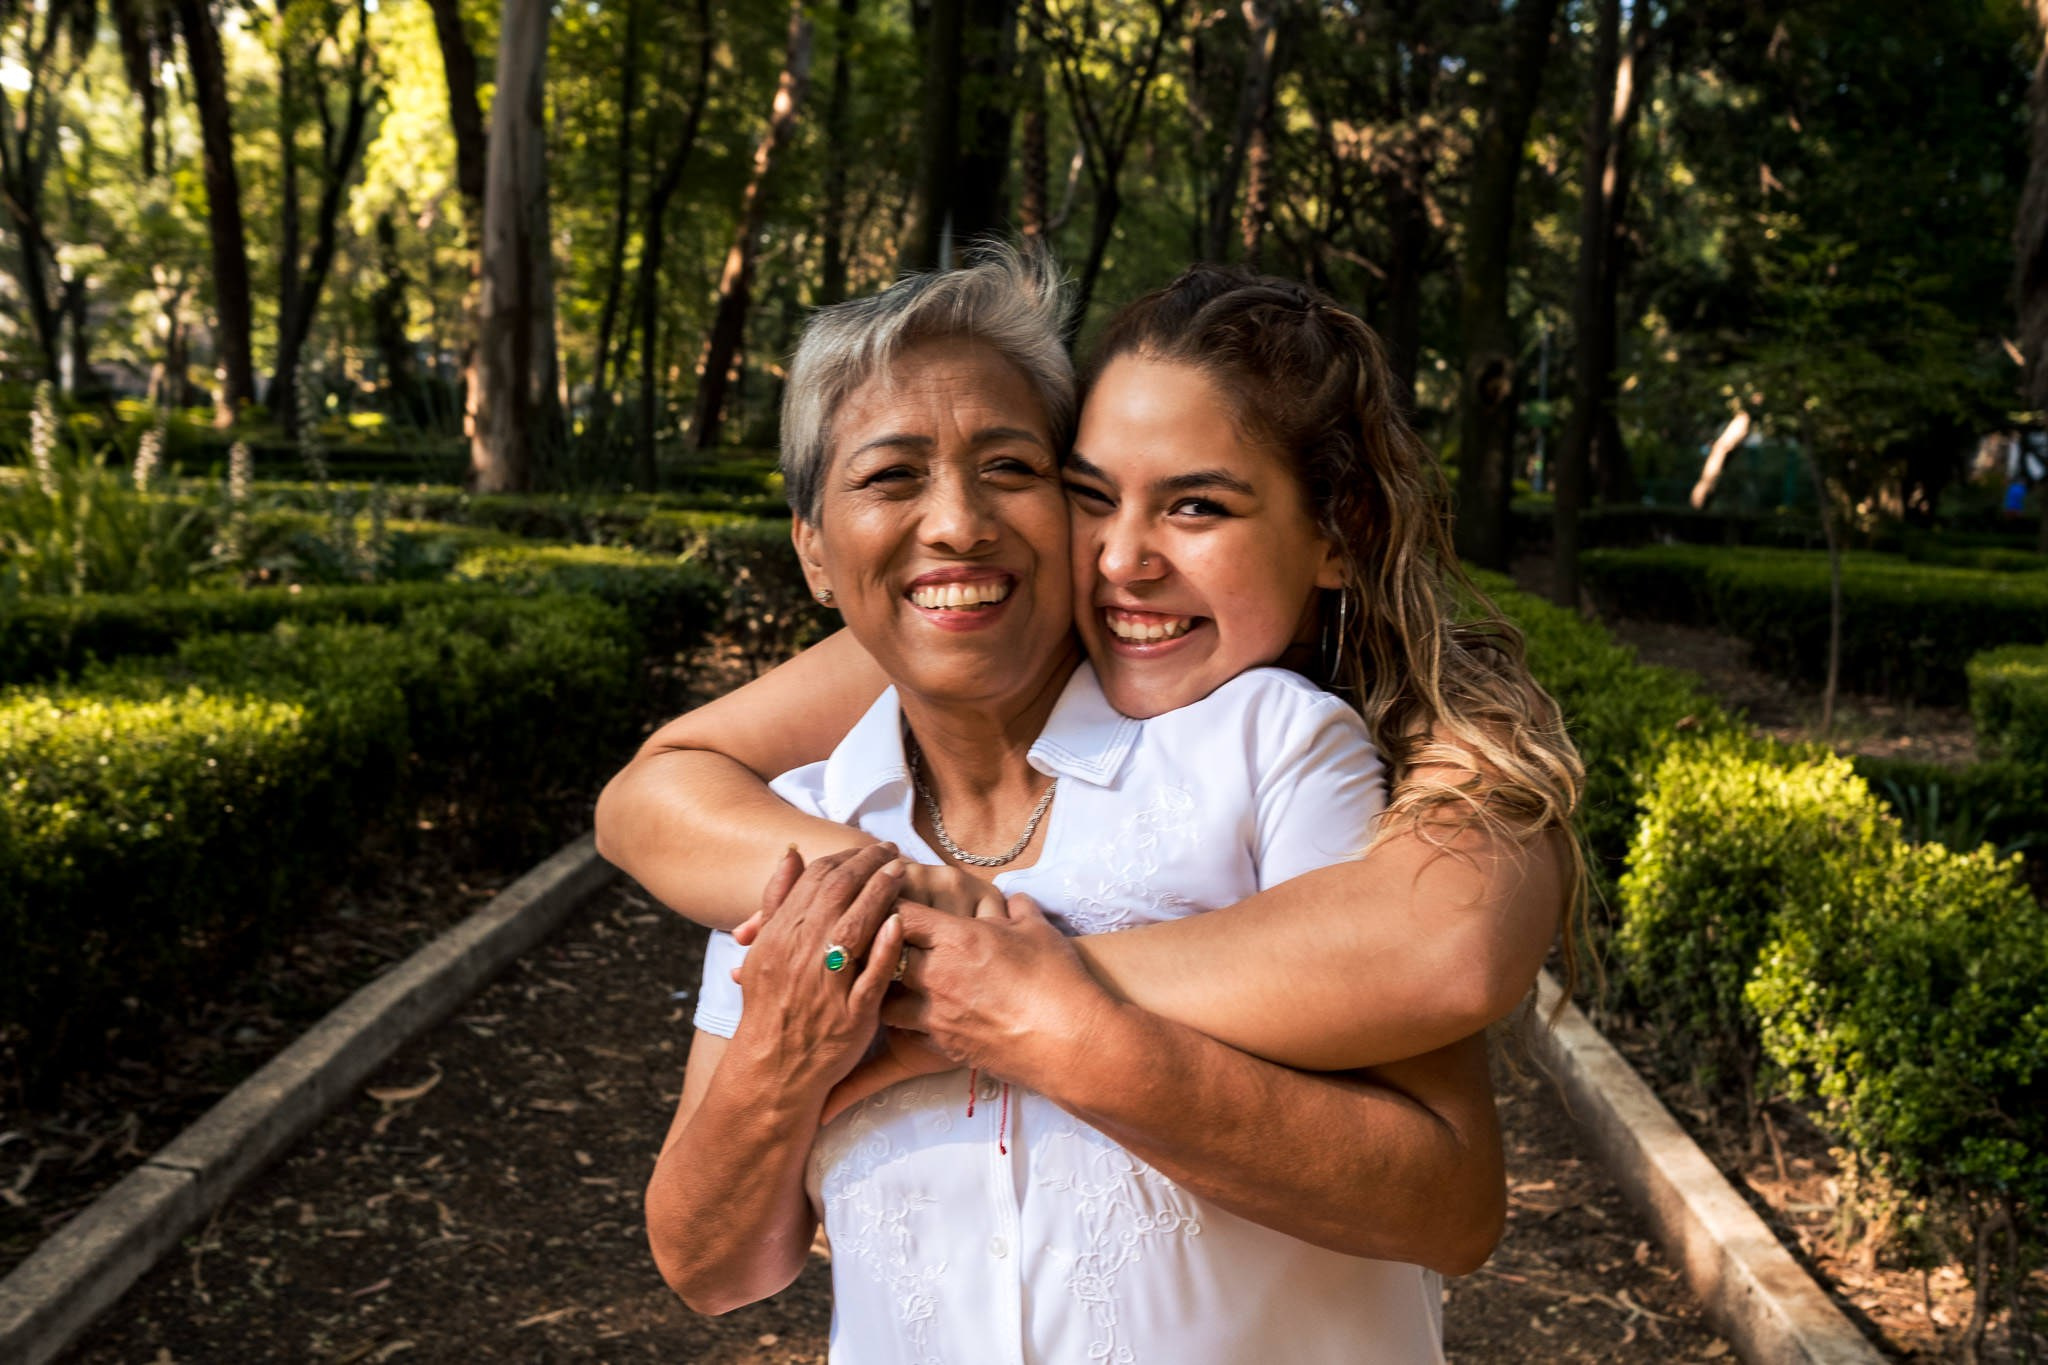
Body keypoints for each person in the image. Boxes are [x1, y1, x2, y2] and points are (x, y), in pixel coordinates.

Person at [629, 251, 1539, 1363]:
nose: (957, 523)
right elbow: (709, 1266)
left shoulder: (1268, 744)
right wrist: (780, 1063)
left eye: (1009, 466)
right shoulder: (789, 835)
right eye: (888, 478)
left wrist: (1056, 1030)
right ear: (814, 556)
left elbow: (1446, 1208)